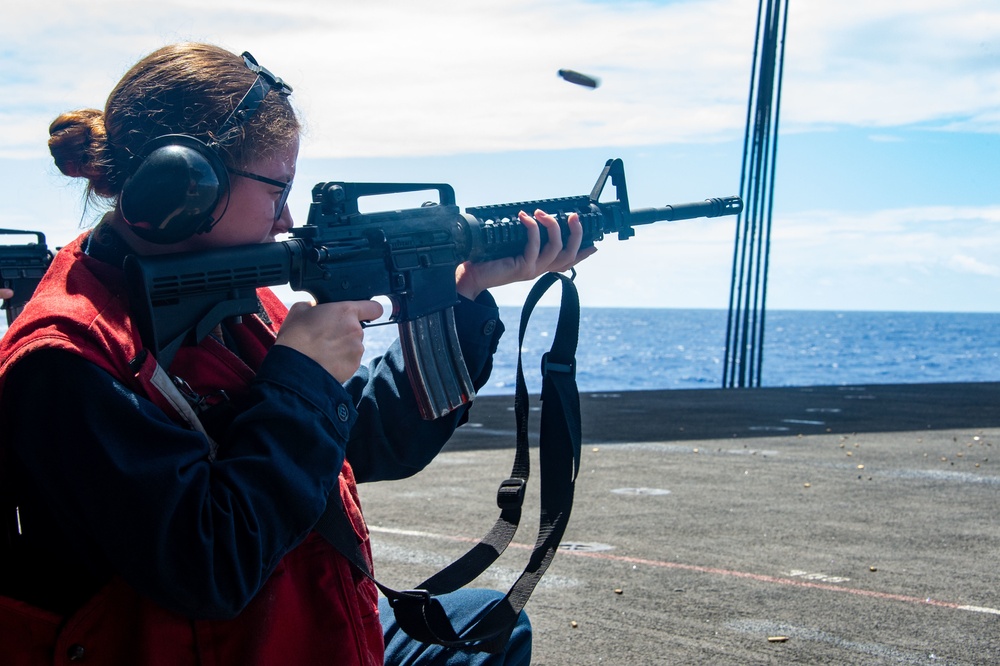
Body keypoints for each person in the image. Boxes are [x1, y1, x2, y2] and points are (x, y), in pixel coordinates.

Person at [0, 43, 594, 665]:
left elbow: (357, 444)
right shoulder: (69, 356)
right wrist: (304, 377)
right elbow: (209, 567)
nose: (286, 216)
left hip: (296, 625)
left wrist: (464, 294)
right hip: (204, 642)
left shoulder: (229, 294)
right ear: (185, 186)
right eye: (278, 188)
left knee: (488, 628)